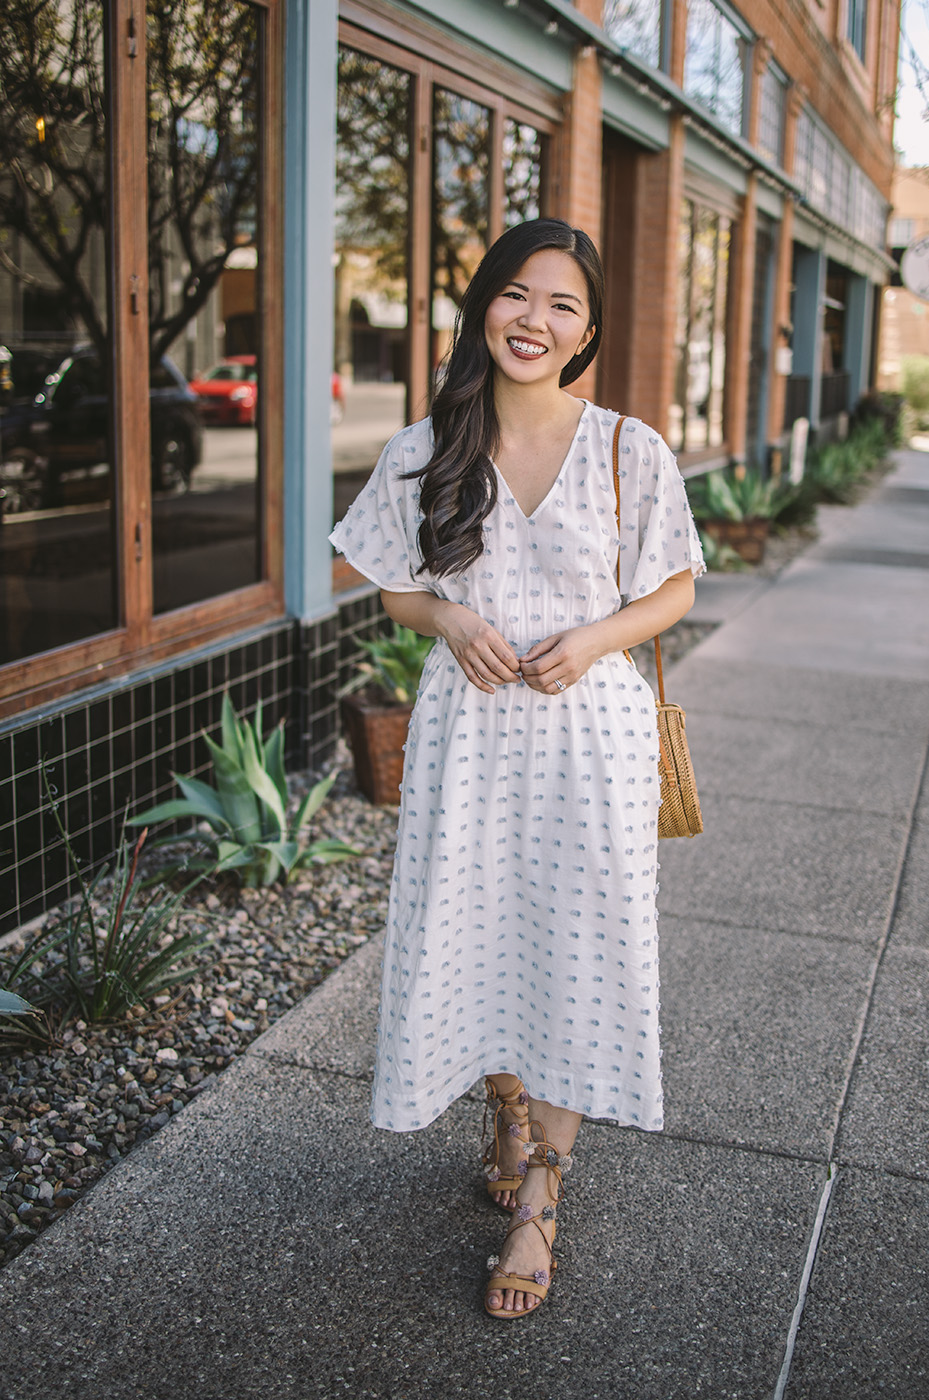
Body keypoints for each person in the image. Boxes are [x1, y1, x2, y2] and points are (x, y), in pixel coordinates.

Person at [330, 217, 704, 1320]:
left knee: (583, 944)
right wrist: (448, 618)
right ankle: (505, 1109)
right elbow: (393, 587)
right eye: (516, 294)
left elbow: (675, 586)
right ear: (483, 304)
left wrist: (593, 640)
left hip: (592, 739)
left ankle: (541, 1192)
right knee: (475, 930)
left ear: (586, 332)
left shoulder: (629, 448)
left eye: (562, 305)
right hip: (470, 734)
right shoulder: (424, 447)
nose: (534, 319)